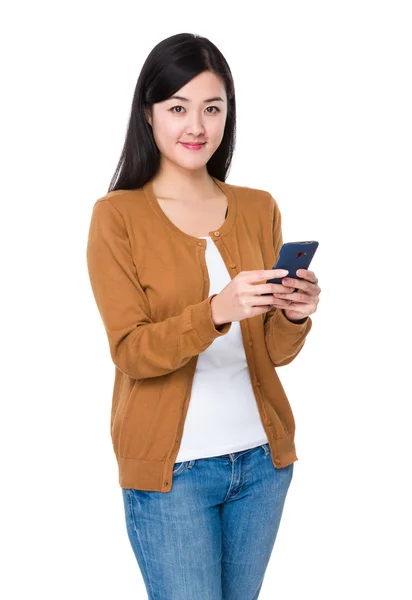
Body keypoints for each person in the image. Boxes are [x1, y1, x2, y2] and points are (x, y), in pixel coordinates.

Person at [86, 32, 321, 600]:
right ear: (149, 115)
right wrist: (216, 311)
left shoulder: (257, 206)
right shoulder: (117, 216)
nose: (197, 126)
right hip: (175, 476)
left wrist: (294, 314)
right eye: (177, 108)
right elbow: (131, 352)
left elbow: (274, 352)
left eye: (212, 108)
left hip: (262, 464)